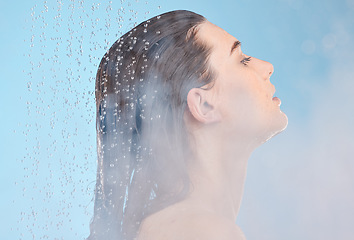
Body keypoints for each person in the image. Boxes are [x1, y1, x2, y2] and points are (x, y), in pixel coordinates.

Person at [88, 10, 287, 240]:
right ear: (203, 106)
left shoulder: (177, 227)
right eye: (242, 61)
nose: (267, 66)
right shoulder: (205, 232)